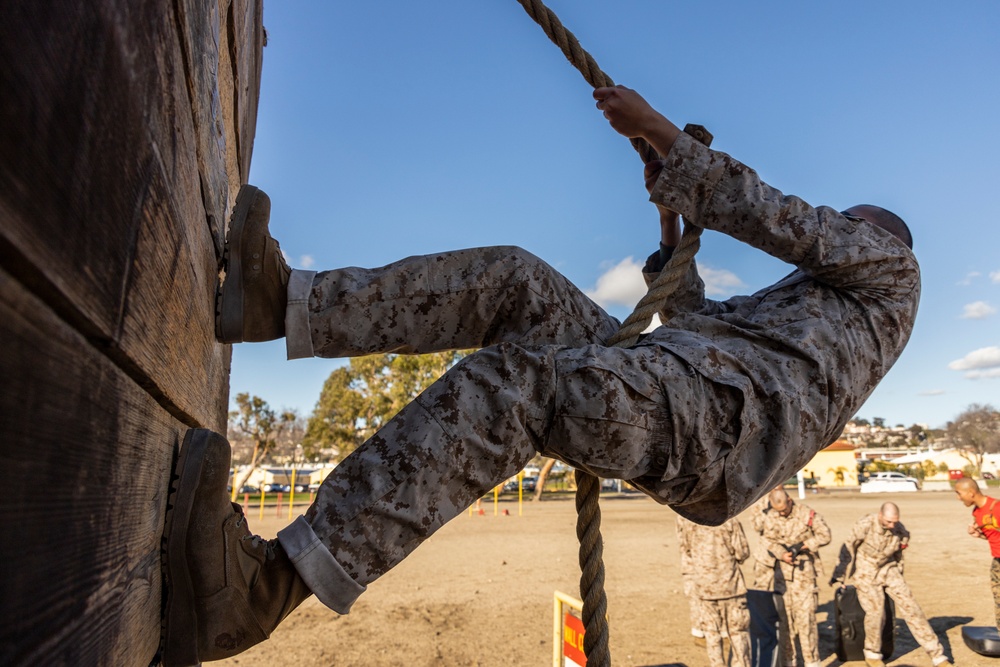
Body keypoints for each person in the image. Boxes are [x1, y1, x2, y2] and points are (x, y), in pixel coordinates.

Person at [160, 84, 920, 664]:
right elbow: (695, 326)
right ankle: (281, 303)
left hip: (714, 429)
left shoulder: (892, 272)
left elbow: (789, 222)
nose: (841, 230)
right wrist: (668, 241)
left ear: (878, 238)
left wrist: (659, 132)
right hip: (687, 391)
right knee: (516, 279)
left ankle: (261, 591)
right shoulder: (809, 310)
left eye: (851, 225)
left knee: (516, 386)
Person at [831, 503, 952, 667]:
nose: (892, 525)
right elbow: (848, 547)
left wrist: (899, 574)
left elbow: (899, 552)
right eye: (888, 522)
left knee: (912, 609)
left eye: (895, 522)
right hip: (866, 570)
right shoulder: (865, 524)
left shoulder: (899, 529)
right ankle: (872, 654)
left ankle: (937, 655)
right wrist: (841, 575)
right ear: (880, 515)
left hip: (888, 569)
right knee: (876, 612)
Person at [760, 488, 831, 667]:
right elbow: (767, 541)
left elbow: (825, 535)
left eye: (785, 509)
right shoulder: (771, 517)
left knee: (806, 620)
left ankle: (812, 662)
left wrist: (804, 545)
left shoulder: (806, 513)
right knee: (785, 622)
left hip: (804, 574)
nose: (783, 513)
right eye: (779, 511)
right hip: (781, 577)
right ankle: (788, 661)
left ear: (790, 500)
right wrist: (781, 553)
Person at [676, 515, 751, 667]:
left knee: (712, 634)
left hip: (705, 588)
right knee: (738, 634)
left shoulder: (689, 521)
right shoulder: (729, 520)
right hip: (731, 588)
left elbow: (686, 549)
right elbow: (742, 552)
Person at [955, 477, 1000, 629]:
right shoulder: (977, 513)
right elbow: (994, 537)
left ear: (971, 493)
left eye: (959, 493)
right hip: (997, 561)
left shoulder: (997, 507)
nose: (958, 498)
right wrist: (979, 535)